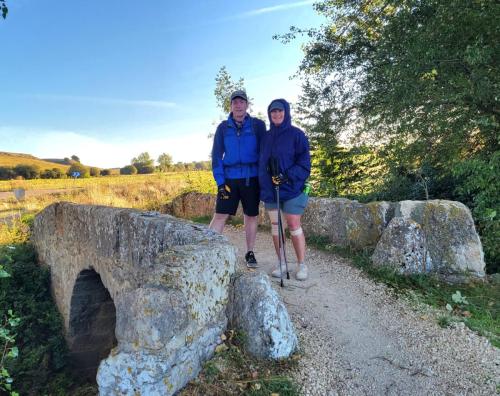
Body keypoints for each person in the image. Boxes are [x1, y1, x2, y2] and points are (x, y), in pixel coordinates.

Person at [209, 90, 266, 268]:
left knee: (251, 216)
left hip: (252, 178)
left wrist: (266, 178)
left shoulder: (257, 125)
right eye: (235, 102)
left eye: (242, 102)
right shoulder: (223, 128)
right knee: (220, 215)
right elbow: (217, 156)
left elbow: (265, 152)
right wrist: (220, 183)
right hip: (229, 179)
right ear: (231, 106)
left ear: (247, 105)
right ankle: (207, 251)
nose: (238, 105)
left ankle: (249, 252)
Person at [259, 98, 311, 280]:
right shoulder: (265, 137)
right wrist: (267, 178)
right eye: (273, 111)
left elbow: (304, 164)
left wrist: (286, 176)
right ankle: (281, 263)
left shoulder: (297, 135)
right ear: (269, 114)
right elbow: (261, 162)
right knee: (276, 227)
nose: (277, 114)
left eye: (280, 111)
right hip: (271, 191)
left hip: (292, 188)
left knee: (293, 225)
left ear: (286, 112)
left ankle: (301, 265)